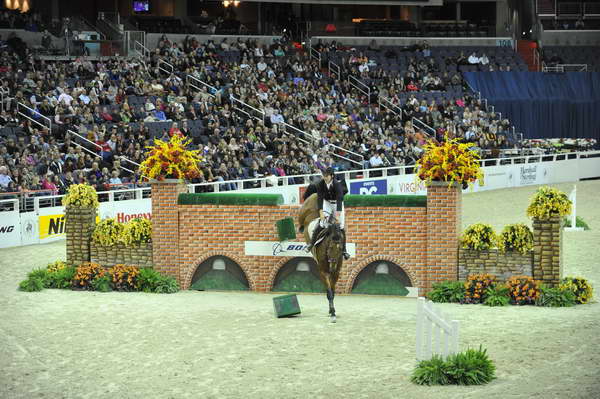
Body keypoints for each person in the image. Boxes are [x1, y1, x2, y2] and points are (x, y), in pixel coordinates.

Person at [306, 167, 350, 259]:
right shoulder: (320, 184)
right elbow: (320, 199)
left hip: (337, 204)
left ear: (332, 176)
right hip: (327, 203)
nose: (325, 177)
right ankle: (311, 243)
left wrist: (337, 215)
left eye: (326, 176)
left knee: (341, 226)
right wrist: (321, 212)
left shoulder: (337, 185)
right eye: (324, 176)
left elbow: (339, 200)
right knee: (323, 223)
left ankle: (344, 250)